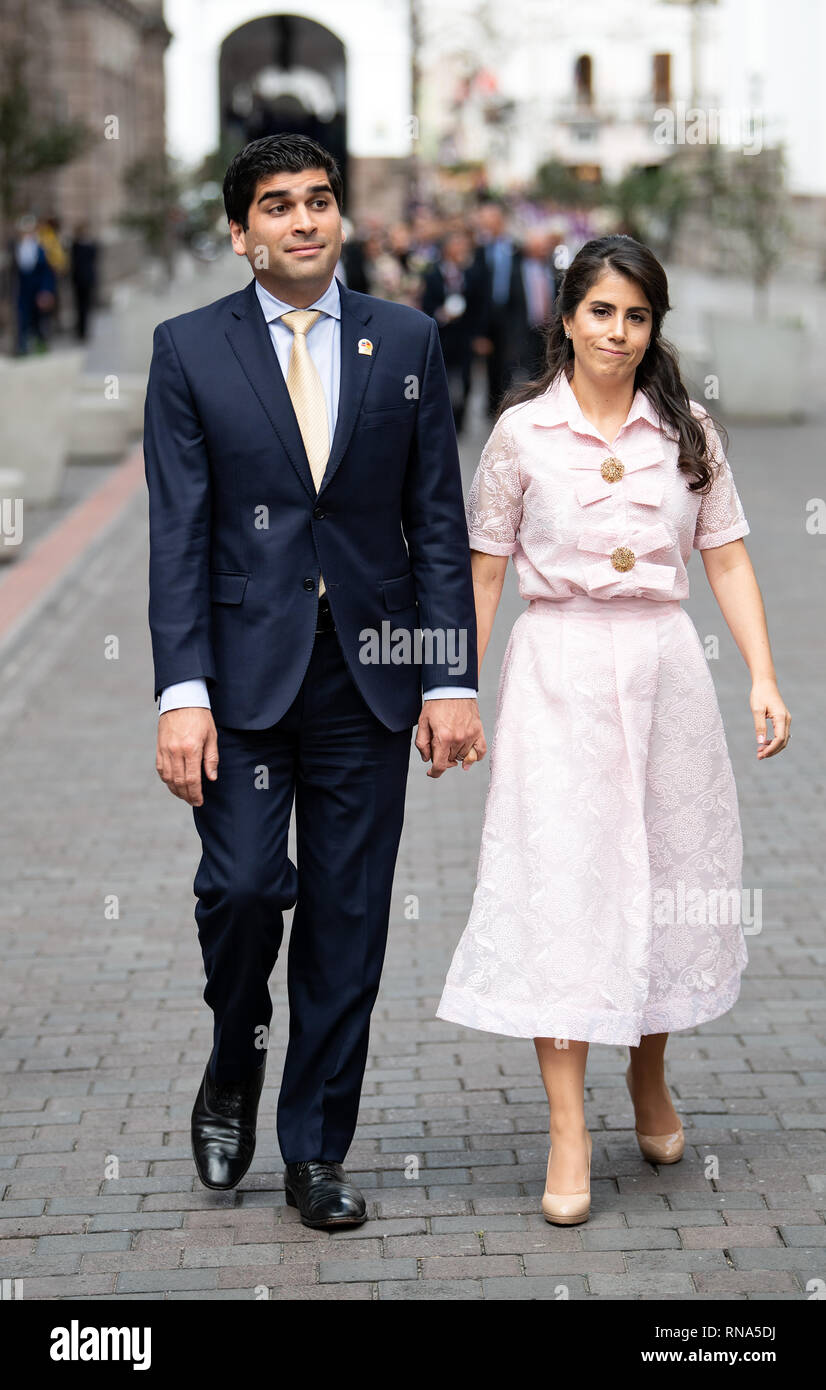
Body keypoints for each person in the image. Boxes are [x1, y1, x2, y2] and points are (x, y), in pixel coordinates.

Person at [143, 134, 485, 1229]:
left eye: (319, 201)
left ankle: (314, 1149)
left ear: (340, 216)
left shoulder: (408, 340)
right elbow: (177, 536)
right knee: (244, 891)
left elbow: (436, 522)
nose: (303, 221)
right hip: (241, 681)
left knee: (347, 919)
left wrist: (450, 678)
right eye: (277, 207)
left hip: (371, 679)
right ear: (240, 231)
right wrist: (180, 694)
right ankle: (234, 1056)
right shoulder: (188, 349)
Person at [437, 234, 790, 1226]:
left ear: (653, 326)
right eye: (601, 312)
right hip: (556, 671)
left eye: (636, 316)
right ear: (565, 317)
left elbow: (723, 556)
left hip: (665, 672)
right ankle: (566, 1126)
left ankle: (648, 1075)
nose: (618, 332)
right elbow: (484, 571)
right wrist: (451, 689)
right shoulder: (519, 436)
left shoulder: (687, 432)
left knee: (668, 875)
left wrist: (760, 674)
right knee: (565, 884)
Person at [420, 229, 486, 435]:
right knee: (443, 377)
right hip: (442, 335)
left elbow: (480, 306)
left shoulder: (472, 274)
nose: (461, 249)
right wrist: (442, 314)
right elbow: (427, 304)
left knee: (466, 377)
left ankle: (460, 420)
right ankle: (443, 418)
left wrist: (479, 335)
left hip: (464, 335)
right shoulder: (432, 275)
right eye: (456, 244)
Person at [69, 222, 99, 341]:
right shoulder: (76, 245)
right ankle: (80, 330)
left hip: (86, 280)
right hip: (79, 280)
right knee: (80, 307)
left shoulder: (88, 245)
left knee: (86, 306)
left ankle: (84, 330)